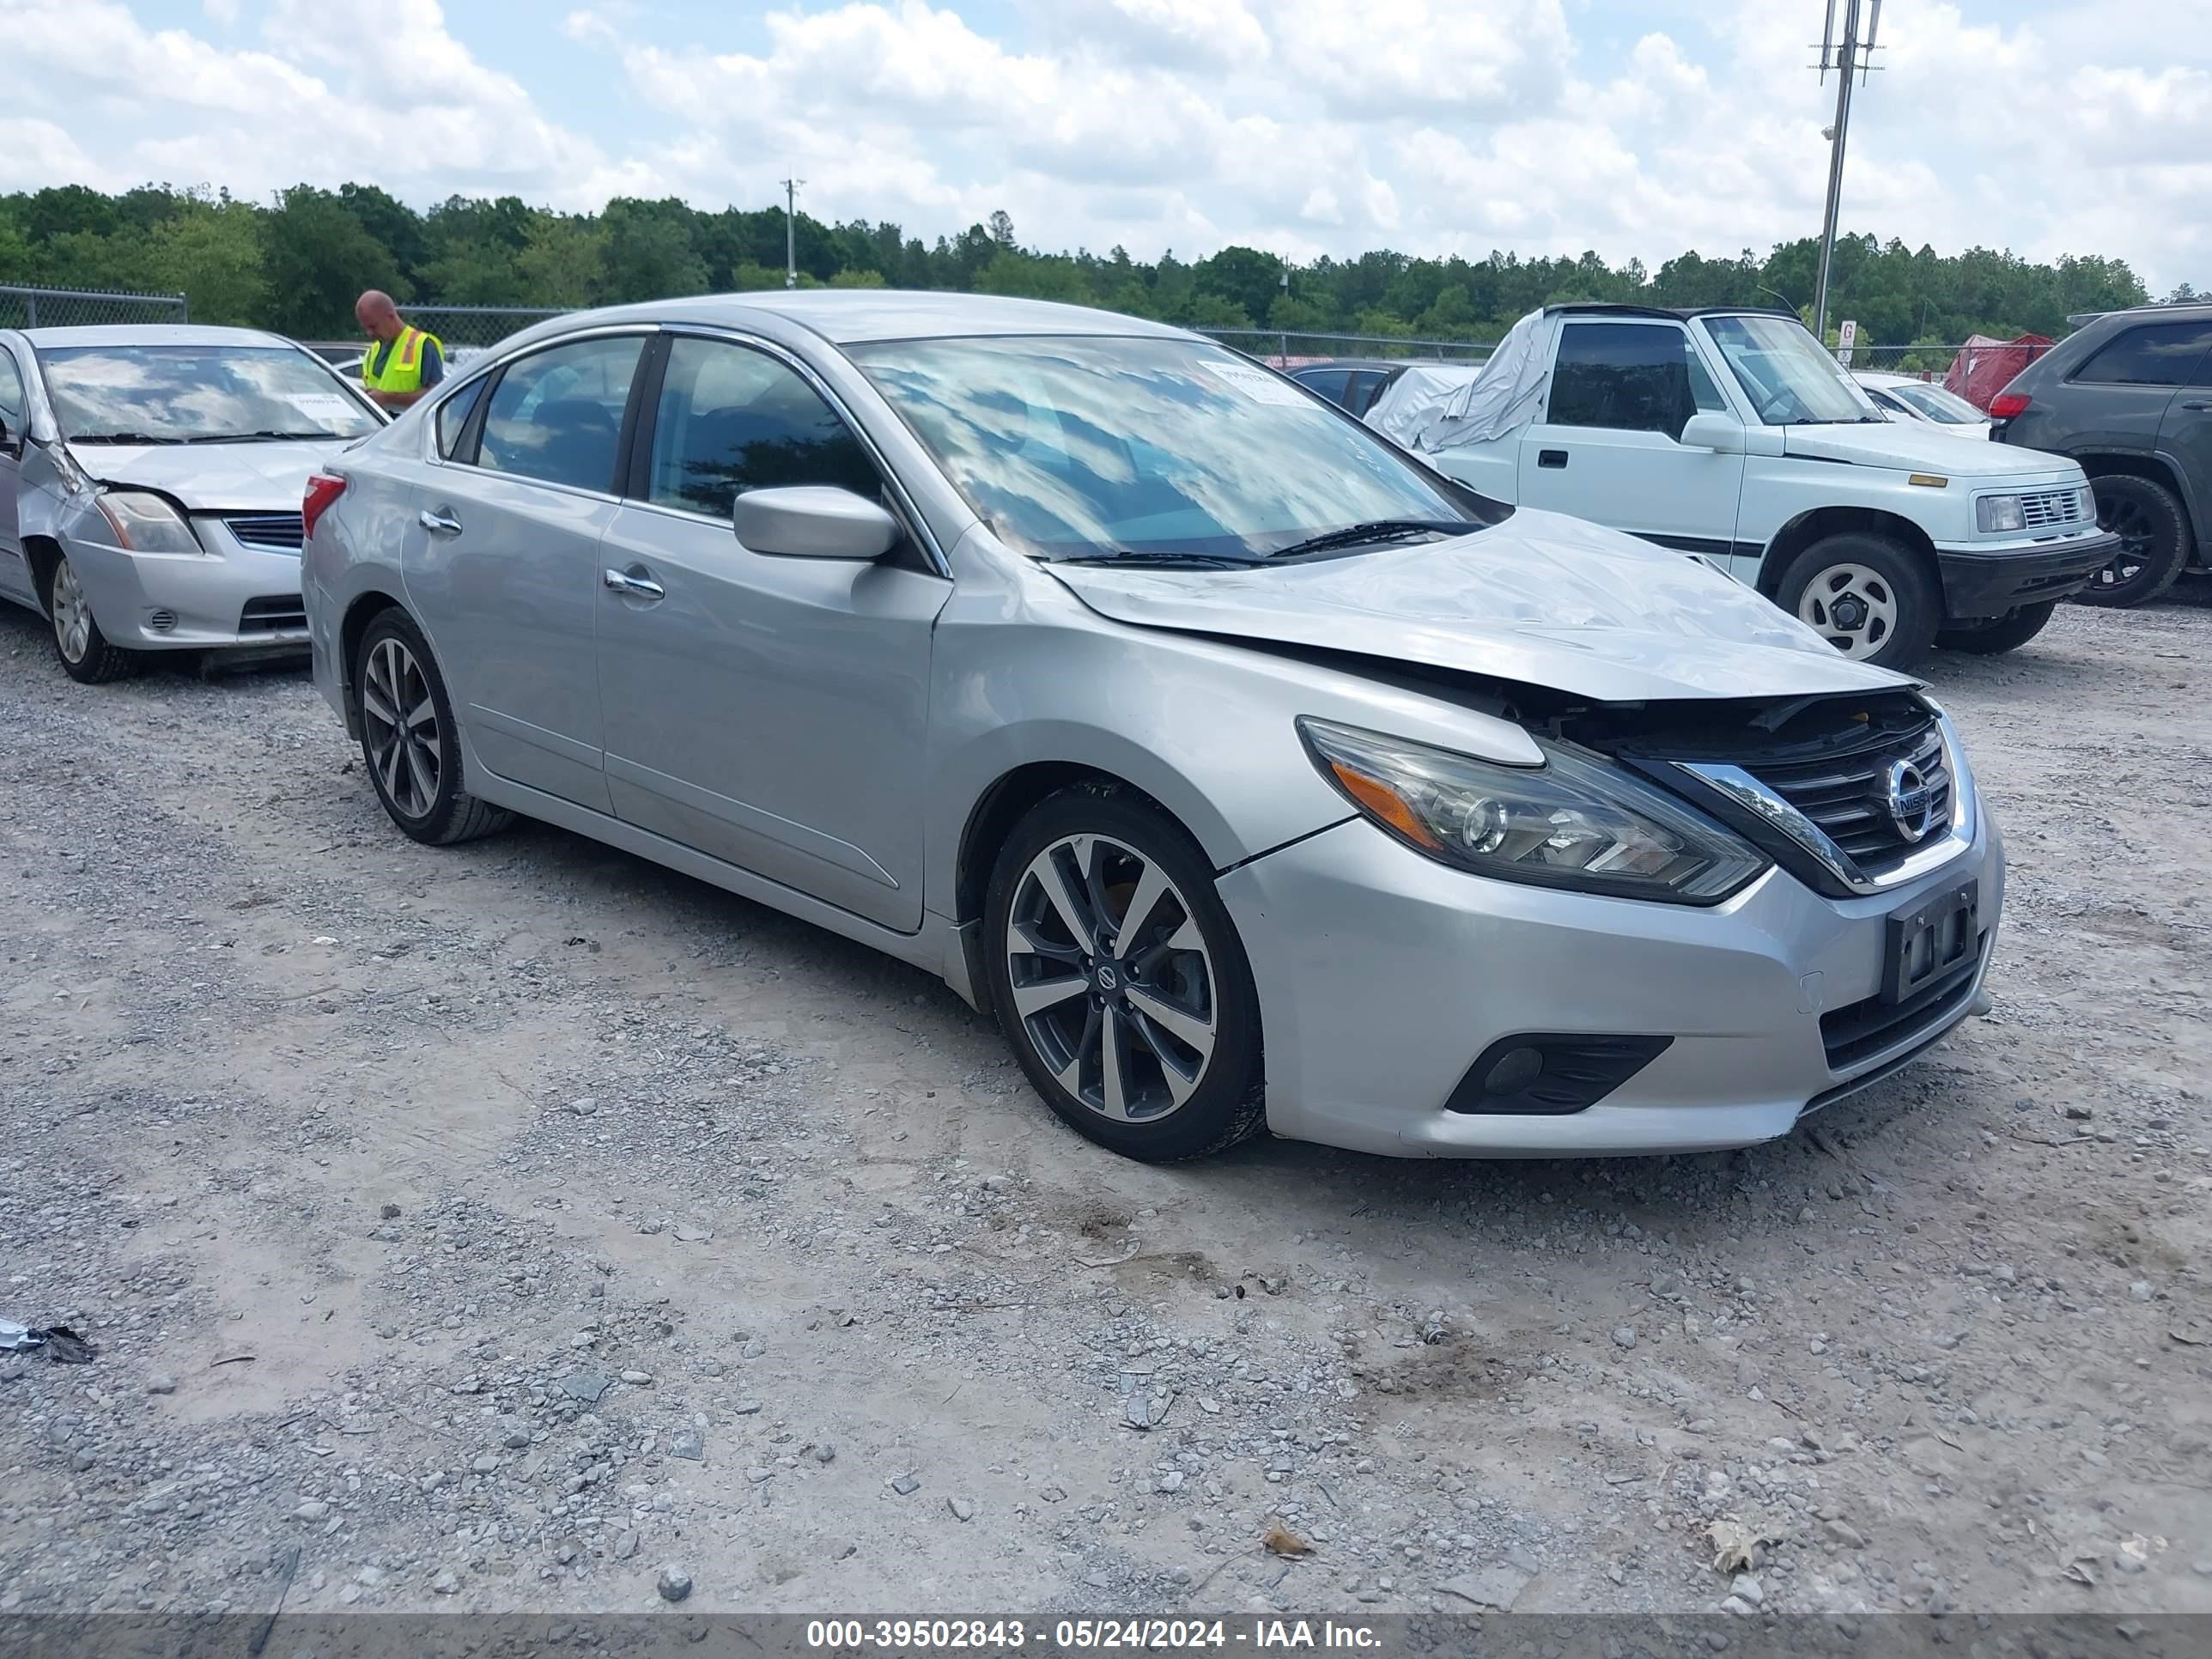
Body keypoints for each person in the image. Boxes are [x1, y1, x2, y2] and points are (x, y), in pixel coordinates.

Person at [354, 291, 445, 410]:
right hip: (382, 426)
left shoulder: (422, 345)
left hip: (412, 427)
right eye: (365, 328)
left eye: (373, 326)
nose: (369, 333)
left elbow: (437, 395)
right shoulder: (373, 352)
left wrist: (389, 398)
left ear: (391, 316)